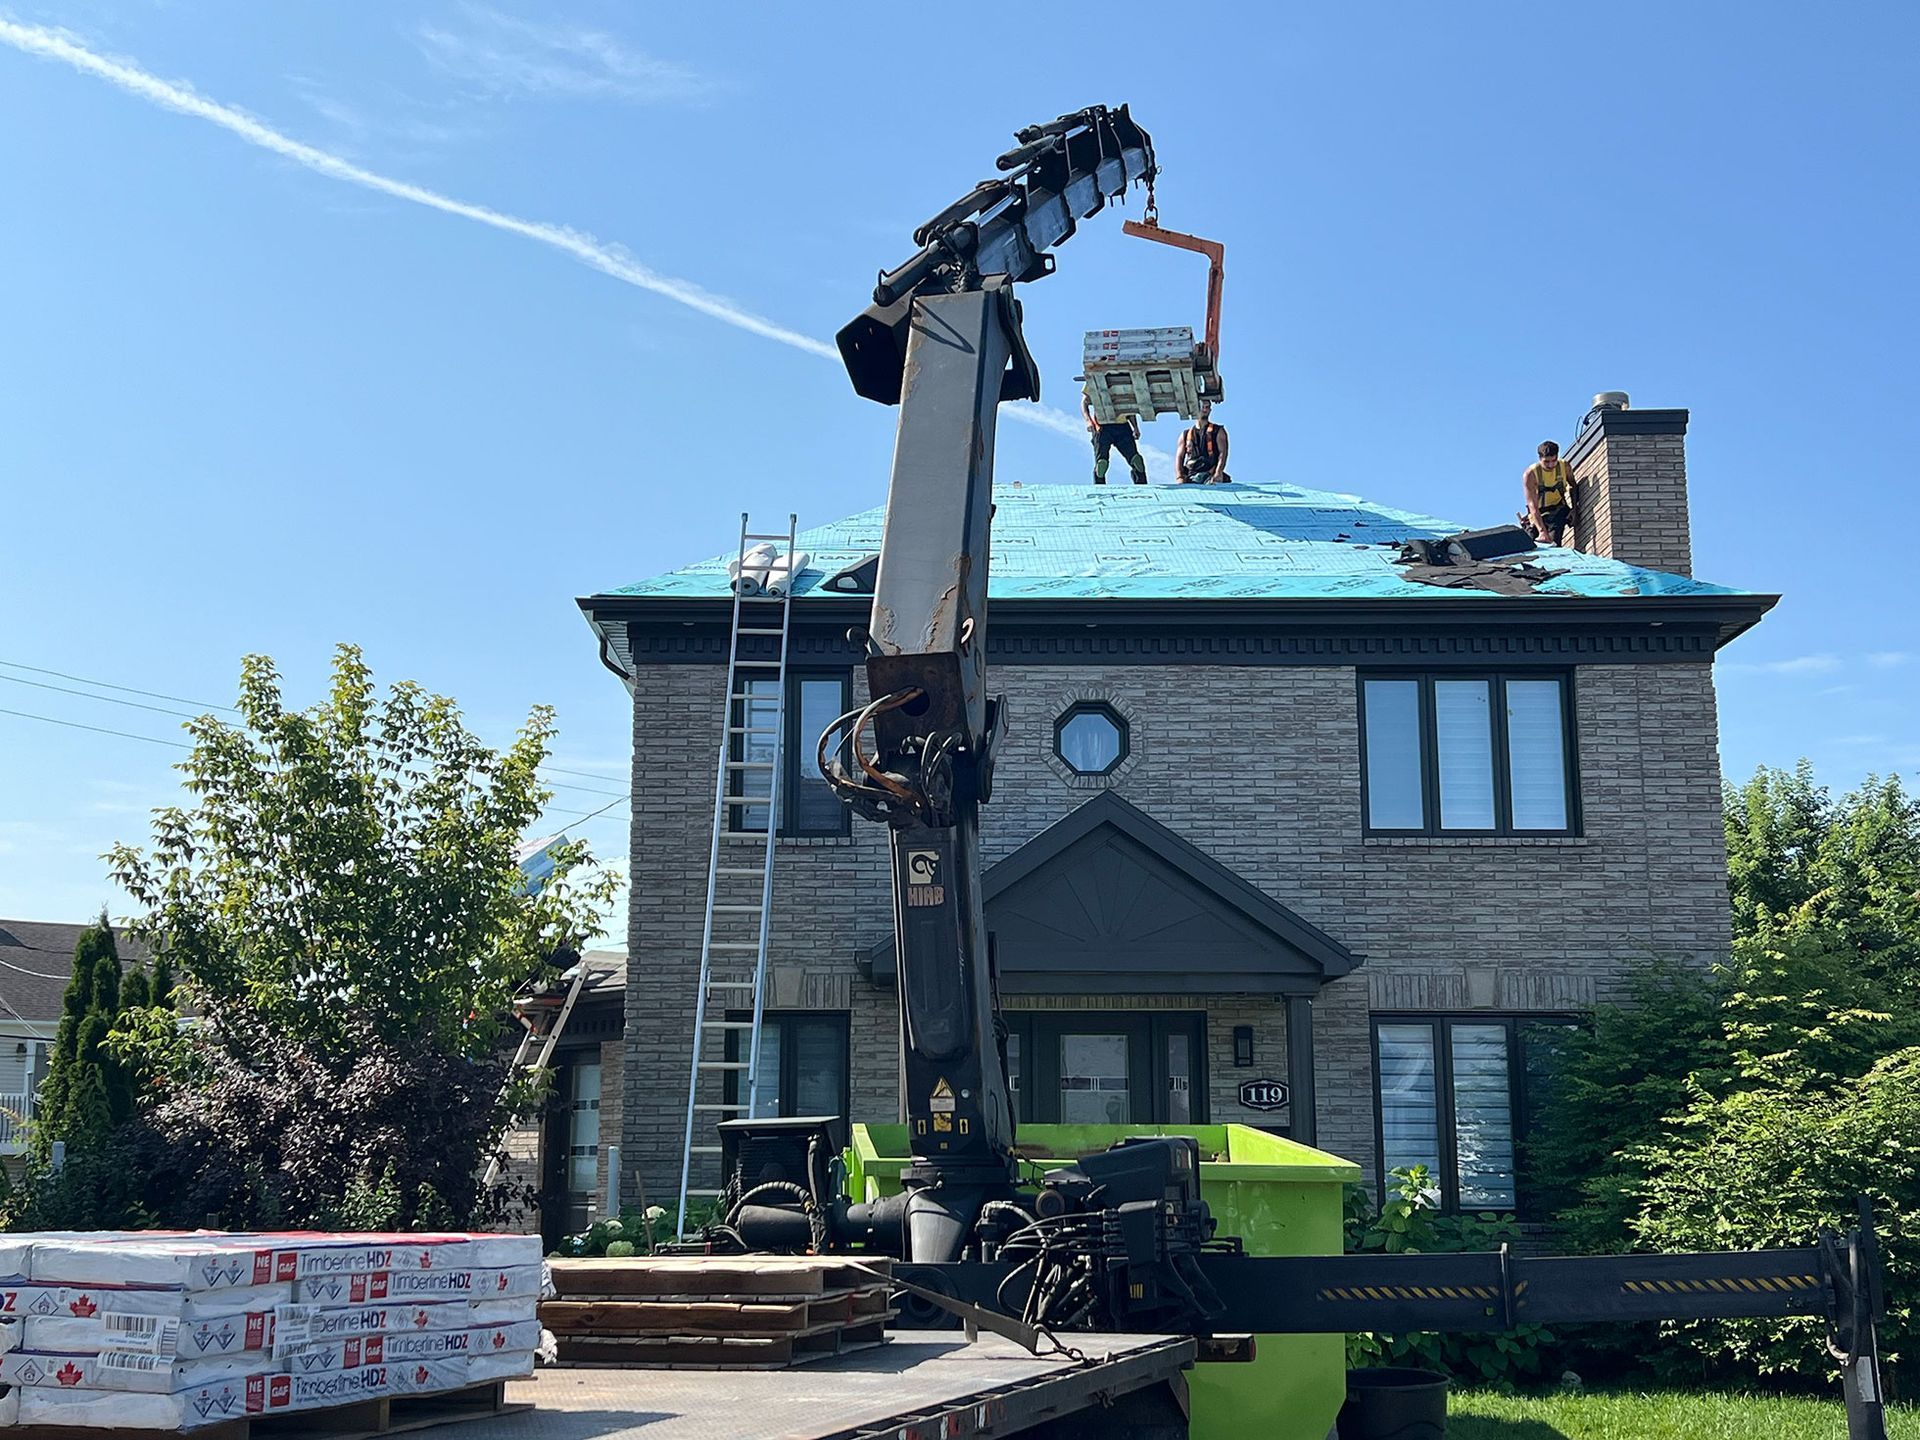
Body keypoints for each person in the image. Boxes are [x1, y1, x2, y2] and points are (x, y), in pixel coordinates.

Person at [1083, 387, 1148, 485]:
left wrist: (1135, 427)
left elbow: (1129, 406)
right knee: (1101, 465)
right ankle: (1100, 490)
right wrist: (1088, 421)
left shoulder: (1124, 379)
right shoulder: (1094, 377)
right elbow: (1084, 402)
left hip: (1122, 425)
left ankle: (1142, 487)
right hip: (1102, 426)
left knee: (1137, 461)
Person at [1524, 440, 1575, 544]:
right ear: (1540, 459)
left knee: (1553, 542)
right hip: (1539, 513)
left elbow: (1573, 486)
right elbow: (1532, 505)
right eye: (1546, 462)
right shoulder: (1531, 474)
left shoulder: (1564, 467)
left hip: (1558, 509)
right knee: (1531, 544)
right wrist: (1542, 531)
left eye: (1554, 460)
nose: (1551, 465)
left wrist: (1574, 509)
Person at [1176, 399, 1230, 484]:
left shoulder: (1218, 431)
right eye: (1202, 407)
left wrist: (1218, 473)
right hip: (1191, 476)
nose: (1205, 410)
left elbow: (1223, 453)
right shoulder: (1185, 435)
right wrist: (1179, 477)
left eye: (1207, 407)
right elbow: (1179, 457)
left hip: (1210, 475)